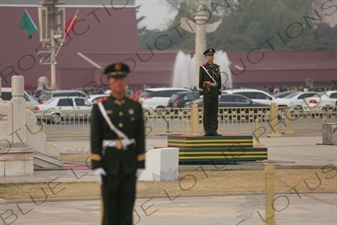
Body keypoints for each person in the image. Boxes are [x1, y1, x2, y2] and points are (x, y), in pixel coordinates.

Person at [90, 62, 146, 225]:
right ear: (108, 81)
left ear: (126, 80)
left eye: (121, 78)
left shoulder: (135, 106)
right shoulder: (100, 106)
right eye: (114, 78)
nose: (118, 82)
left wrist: (141, 163)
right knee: (109, 209)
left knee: (127, 208)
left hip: (129, 163)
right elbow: (95, 137)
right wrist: (96, 164)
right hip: (109, 164)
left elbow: (140, 136)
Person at [198, 48, 222, 136]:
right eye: (209, 56)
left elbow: (219, 81)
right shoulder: (203, 68)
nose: (211, 57)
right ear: (206, 57)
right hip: (207, 92)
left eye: (212, 55)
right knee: (207, 112)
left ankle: (214, 130)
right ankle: (207, 130)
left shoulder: (217, 67)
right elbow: (200, 81)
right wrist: (201, 93)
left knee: (214, 112)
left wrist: (219, 92)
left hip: (215, 92)